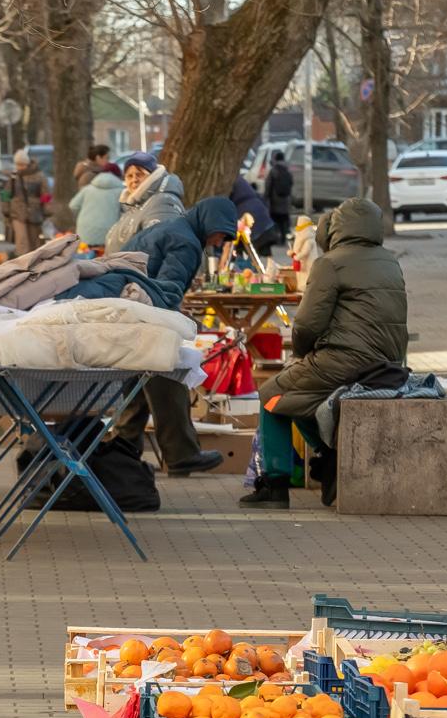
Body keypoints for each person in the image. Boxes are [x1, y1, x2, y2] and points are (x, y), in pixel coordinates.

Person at [243, 197, 408, 509]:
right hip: (388, 365)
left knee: (271, 396)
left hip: (346, 361)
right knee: (299, 394)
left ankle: (275, 484)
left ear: (335, 229)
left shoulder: (330, 263)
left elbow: (306, 324)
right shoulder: (390, 260)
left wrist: (302, 355)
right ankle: (328, 458)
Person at [111, 199, 236, 478]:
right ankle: (182, 454)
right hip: (145, 315)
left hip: (124, 309)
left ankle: (123, 452)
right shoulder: (187, 242)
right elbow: (165, 290)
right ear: (209, 223)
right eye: (219, 234)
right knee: (169, 376)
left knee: (136, 384)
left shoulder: (169, 228)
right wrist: (175, 322)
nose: (217, 241)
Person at [103, 152, 187, 251]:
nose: (134, 180)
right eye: (129, 176)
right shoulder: (134, 205)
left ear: (153, 176)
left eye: (139, 174)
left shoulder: (161, 203)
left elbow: (161, 249)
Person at [69, 164, 124, 250]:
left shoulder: (87, 189)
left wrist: (80, 217)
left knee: (85, 259)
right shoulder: (121, 192)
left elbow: (73, 205)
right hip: (109, 234)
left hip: (85, 231)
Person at [7, 149, 48, 256]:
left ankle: (34, 262)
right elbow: (6, 194)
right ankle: (23, 264)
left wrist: (46, 210)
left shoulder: (39, 176)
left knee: (35, 241)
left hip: (35, 213)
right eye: (17, 165)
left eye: (22, 165)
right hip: (17, 213)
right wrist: (5, 210)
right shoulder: (13, 177)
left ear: (27, 163)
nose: (19, 167)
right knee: (21, 241)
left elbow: (46, 195)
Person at [230, 175, 278, 255]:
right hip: (263, 216)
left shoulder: (227, 182)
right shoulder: (238, 179)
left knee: (246, 255)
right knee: (262, 254)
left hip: (247, 219)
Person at [264, 151, 296, 254]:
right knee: (284, 221)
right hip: (285, 201)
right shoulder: (287, 171)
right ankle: (283, 238)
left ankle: (276, 238)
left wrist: (266, 197)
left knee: (275, 220)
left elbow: (268, 185)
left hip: (275, 201)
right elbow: (291, 183)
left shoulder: (273, 171)